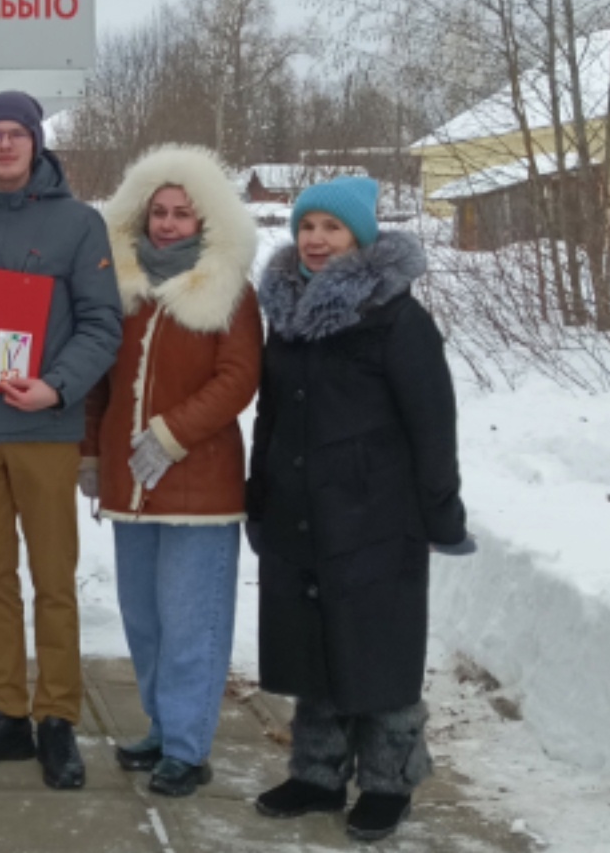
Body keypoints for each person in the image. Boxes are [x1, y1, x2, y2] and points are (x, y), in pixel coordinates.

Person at [246, 175, 471, 843]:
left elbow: (432, 425)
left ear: (359, 237)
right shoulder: (287, 315)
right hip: (298, 514)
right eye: (306, 227)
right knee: (313, 648)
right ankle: (316, 775)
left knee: (379, 652)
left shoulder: (396, 318)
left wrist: (440, 515)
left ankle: (388, 782)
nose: (315, 241)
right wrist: (259, 499)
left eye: (331, 229)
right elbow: (272, 415)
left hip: (375, 518)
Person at [0, 92, 122, 790]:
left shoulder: (78, 225)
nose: (4, 145)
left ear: (36, 144)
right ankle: (7, 712)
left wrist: (57, 387)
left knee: (52, 581)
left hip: (41, 426)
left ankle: (57, 718)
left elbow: (103, 326)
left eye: (16, 134)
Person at [80, 145, 262, 798]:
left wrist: (171, 433)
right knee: (145, 617)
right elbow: (100, 375)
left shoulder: (228, 289)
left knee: (192, 620)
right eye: (156, 211)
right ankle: (162, 727)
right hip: (130, 486)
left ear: (205, 220)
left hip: (200, 488)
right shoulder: (122, 287)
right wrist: (91, 453)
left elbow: (238, 377)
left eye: (181, 213)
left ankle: (188, 746)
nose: (166, 223)